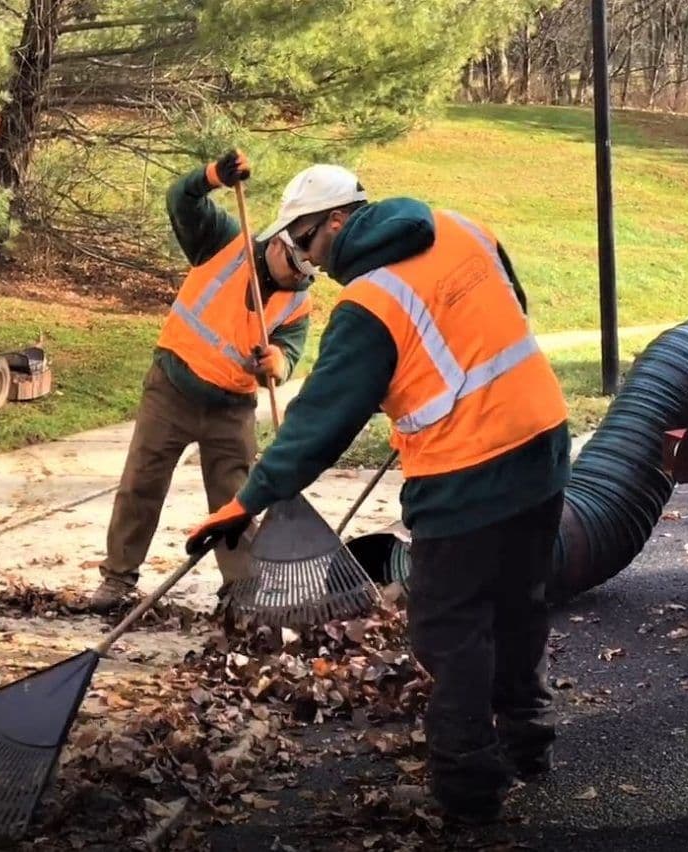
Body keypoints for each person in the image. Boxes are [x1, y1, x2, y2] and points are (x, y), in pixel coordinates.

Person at [186, 163, 571, 822]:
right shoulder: (461, 228)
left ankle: (468, 788)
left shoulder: (370, 302)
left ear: (337, 220)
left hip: (467, 475)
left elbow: (319, 420)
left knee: (452, 630)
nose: (307, 260)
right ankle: (527, 740)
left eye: (307, 242)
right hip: (544, 443)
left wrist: (248, 499)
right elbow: (514, 306)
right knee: (520, 601)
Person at [90, 150, 312, 611]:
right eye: (294, 265)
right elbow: (180, 199)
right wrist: (213, 176)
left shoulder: (298, 302)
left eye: (307, 273)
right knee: (142, 483)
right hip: (172, 387)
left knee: (236, 498)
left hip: (232, 408)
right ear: (277, 241)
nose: (297, 279)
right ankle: (117, 579)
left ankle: (240, 590)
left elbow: (289, 353)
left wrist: (277, 365)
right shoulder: (225, 241)